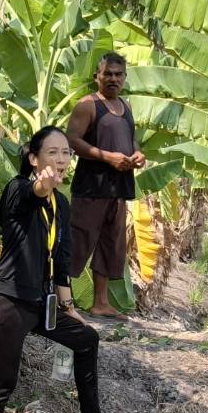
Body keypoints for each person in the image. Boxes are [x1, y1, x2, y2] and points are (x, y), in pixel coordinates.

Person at [0, 127, 122, 413]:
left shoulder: (62, 202)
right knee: (1, 384)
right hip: (10, 300)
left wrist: (68, 305)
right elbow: (30, 193)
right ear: (33, 159)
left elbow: (62, 256)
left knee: (87, 338)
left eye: (66, 154)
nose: (61, 160)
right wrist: (40, 186)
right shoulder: (17, 188)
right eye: (53, 153)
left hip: (42, 303)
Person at [66, 52, 146, 319]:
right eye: (108, 74)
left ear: (124, 77)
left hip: (119, 188)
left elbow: (130, 140)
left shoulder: (126, 106)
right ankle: (58, 299)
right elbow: (73, 140)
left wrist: (138, 154)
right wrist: (105, 156)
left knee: (110, 245)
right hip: (91, 186)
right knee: (78, 242)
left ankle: (100, 302)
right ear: (97, 76)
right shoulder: (88, 105)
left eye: (118, 74)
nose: (113, 78)